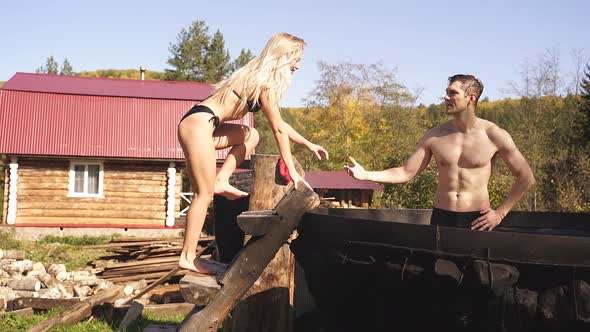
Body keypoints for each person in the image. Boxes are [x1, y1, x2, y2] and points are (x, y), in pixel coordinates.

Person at [177, 32, 329, 274]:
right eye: (295, 59)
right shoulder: (264, 85)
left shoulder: (258, 79)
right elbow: (278, 131)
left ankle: (221, 179)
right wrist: (292, 170)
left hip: (206, 123)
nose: (297, 66)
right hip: (198, 125)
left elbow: (280, 124)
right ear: (283, 56)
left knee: (251, 136)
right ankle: (187, 256)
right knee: (203, 194)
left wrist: (307, 143)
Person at [344, 74, 535, 231]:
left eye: (453, 93)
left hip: (478, 220)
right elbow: (405, 172)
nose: (445, 97)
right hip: (442, 218)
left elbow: (526, 177)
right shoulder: (434, 136)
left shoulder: (494, 135)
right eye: (446, 92)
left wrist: (500, 213)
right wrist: (366, 174)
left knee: (475, 276)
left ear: (471, 98)